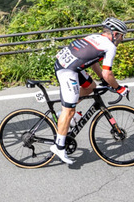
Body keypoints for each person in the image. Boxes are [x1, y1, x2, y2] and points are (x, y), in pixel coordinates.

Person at [50, 17, 129, 164]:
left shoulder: (95, 37)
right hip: (68, 71)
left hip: (69, 65)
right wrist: (119, 88)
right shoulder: (110, 47)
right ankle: (59, 146)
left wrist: (105, 81)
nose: (121, 40)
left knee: (91, 88)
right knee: (70, 111)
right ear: (116, 34)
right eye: (122, 36)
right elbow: (108, 73)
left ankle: (64, 115)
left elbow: (93, 65)